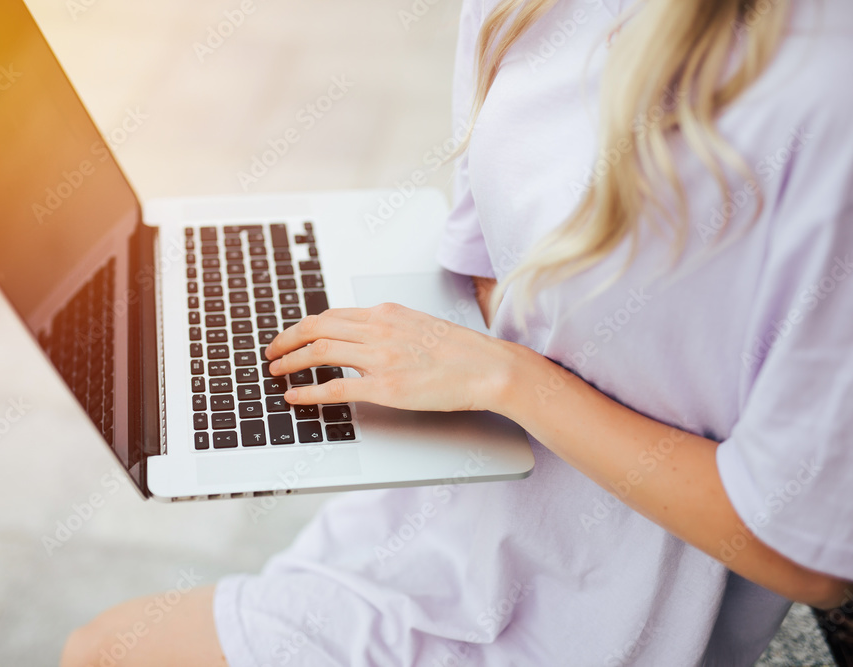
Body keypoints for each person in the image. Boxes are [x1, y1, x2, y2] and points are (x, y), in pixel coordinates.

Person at [61, 0, 853, 664]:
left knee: (107, 651)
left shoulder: (824, 97)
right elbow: (491, 261)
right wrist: (318, 295)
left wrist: (508, 380)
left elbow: (805, 553)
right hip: (448, 505)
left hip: (594, 604)